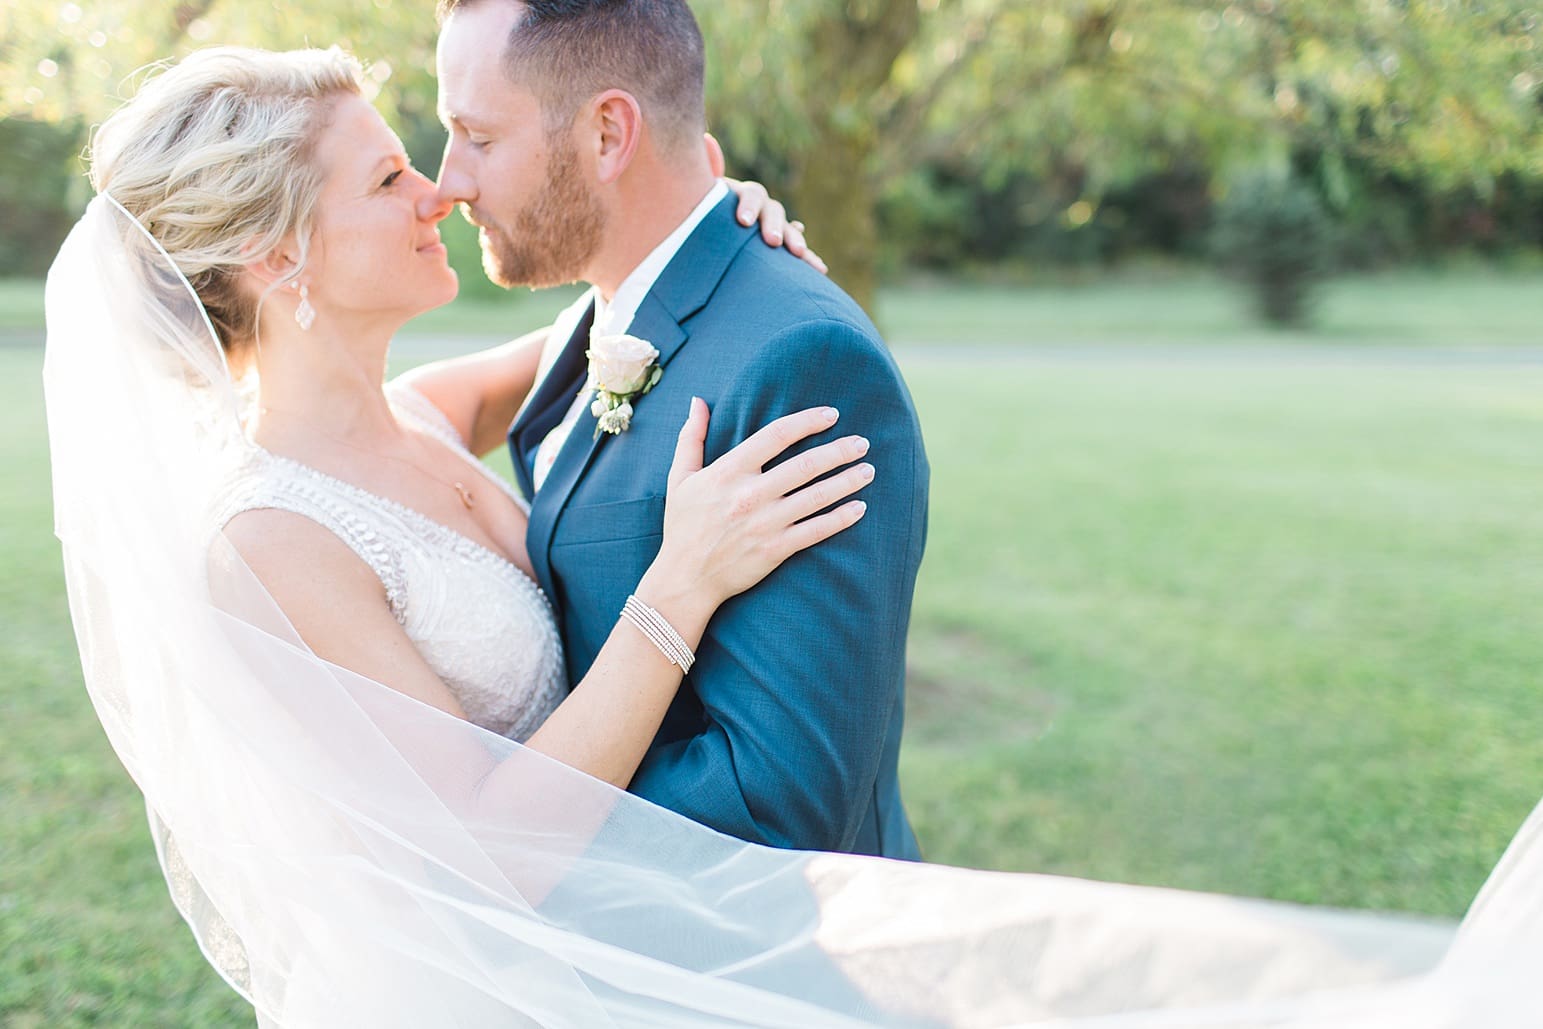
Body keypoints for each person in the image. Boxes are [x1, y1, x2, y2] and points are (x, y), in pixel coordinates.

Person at [43, 40, 1541, 1029]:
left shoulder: (424, 412)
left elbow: (609, 312)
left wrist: (705, 208)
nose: (434, 183)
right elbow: (488, 852)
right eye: (388, 176)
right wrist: (676, 589)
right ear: (272, 259)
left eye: (430, 148)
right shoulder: (261, 544)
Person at [436, 0, 928, 857]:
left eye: (477, 137)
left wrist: (522, 837)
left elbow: (781, 801)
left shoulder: (800, 360)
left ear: (606, 135)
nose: (449, 181)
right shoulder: (606, 312)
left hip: (749, 966)